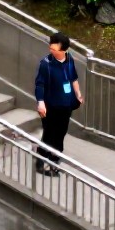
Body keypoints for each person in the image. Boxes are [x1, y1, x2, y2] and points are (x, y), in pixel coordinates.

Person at [34, 31, 84, 177]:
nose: (52, 51)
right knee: (49, 134)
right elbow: (39, 85)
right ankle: (41, 159)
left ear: (64, 50)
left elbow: (73, 78)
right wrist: (41, 102)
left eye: (55, 49)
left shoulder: (70, 60)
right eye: (51, 48)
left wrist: (78, 94)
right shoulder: (46, 64)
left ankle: (54, 161)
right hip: (50, 106)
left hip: (66, 104)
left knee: (61, 133)